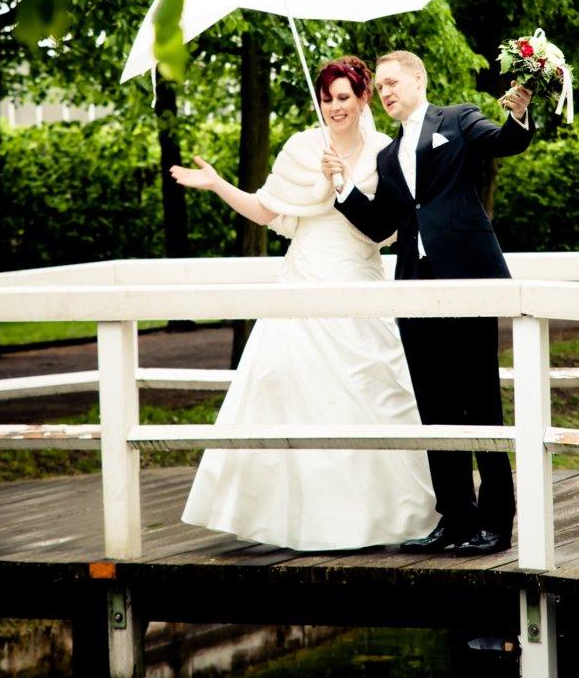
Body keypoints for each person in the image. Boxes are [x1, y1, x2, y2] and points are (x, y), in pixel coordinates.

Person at [173, 56, 439, 551]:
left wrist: (344, 185)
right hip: (303, 282)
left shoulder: (387, 150)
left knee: (374, 397)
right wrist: (217, 185)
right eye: (326, 98)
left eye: (344, 97)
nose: (334, 107)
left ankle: (381, 519)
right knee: (288, 392)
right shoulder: (301, 147)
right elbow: (264, 208)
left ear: (363, 98)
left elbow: (395, 226)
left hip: (360, 283)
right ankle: (296, 522)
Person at [323, 50, 534, 556]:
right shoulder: (386, 157)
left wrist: (520, 112)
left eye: (396, 81)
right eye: (384, 85)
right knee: (435, 407)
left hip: (468, 280)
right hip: (414, 289)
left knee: (480, 404)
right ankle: (456, 517)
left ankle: (497, 522)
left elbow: (504, 140)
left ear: (419, 79)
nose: (388, 91)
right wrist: (342, 184)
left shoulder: (457, 120)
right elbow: (380, 226)